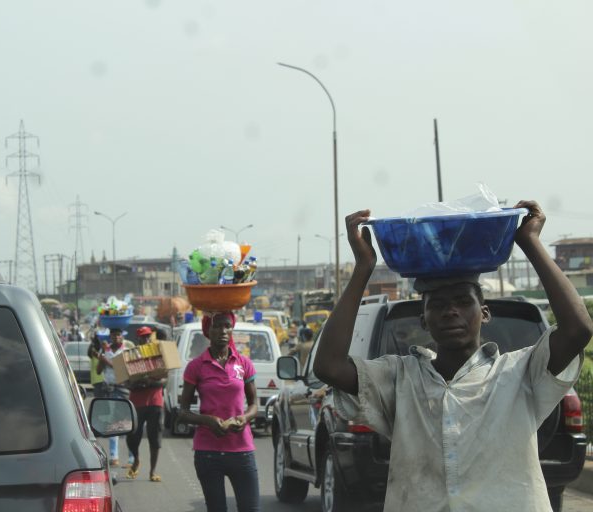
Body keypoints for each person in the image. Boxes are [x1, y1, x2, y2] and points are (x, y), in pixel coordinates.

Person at [313, 201, 593, 512]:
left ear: (484, 312)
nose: (450, 311)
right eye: (437, 304)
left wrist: (530, 241)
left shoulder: (520, 372)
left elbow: (577, 329)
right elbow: (329, 366)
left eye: (463, 301)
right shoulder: (400, 378)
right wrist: (363, 268)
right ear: (423, 319)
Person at [179, 311, 260, 512]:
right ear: (208, 331)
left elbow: (254, 403)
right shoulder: (196, 366)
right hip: (208, 453)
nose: (222, 331)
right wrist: (208, 421)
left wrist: (244, 418)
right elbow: (182, 412)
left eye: (227, 326)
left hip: (242, 451)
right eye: (216, 326)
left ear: (232, 329)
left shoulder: (244, 363)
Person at [125, 326, 165, 482]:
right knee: (132, 436)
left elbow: (165, 379)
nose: (146, 339)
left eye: (148, 336)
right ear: (138, 339)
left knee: (155, 437)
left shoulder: (159, 354)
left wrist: (149, 382)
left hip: (155, 402)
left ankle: (152, 471)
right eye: (143, 337)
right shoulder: (130, 357)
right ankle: (135, 459)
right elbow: (126, 381)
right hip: (137, 402)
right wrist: (138, 383)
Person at [96, 327, 131, 467]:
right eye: (113, 335)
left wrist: (105, 360)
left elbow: (122, 369)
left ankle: (131, 458)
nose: (116, 338)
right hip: (109, 389)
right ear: (110, 337)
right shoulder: (106, 351)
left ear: (122, 337)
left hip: (123, 389)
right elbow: (99, 370)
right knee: (112, 423)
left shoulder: (126, 352)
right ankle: (113, 456)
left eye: (118, 335)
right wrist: (101, 358)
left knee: (127, 423)